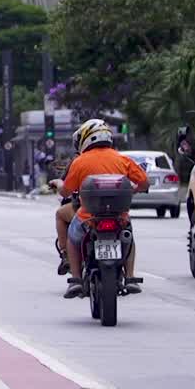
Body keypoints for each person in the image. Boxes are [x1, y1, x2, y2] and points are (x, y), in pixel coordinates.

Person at [53, 119, 148, 299]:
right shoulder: (123, 159)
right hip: (119, 216)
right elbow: (144, 182)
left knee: (73, 239)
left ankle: (76, 280)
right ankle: (130, 277)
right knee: (128, 236)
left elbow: (66, 190)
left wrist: (58, 184)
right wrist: (133, 191)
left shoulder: (79, 162)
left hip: (88, 217)